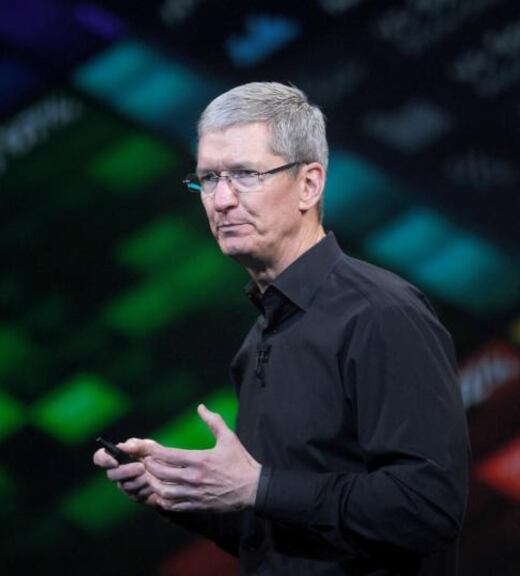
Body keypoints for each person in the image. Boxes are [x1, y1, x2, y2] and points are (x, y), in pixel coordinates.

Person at [93, 82, 470, 575]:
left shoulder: (380, 313)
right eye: (209, 178)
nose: (222, 200)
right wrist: (181, 491)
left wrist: (256, 487)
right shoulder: (260, 341)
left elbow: (428, 506)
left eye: (246, 175)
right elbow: (280, 538)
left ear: (309, 185)